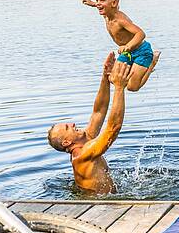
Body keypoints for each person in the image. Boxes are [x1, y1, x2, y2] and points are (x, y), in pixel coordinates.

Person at [46, 53, 129, 194]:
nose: (73, 124)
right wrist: (119, 88)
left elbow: (99, 111)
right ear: (67, 142)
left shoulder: (86, 140)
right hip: (97, 206)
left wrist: (105, 76)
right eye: (68, 128)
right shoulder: (83, 155)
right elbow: (113, 128)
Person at [82, 0, 160, 92]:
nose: (98, 3)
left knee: (132, 87)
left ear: (114, 3)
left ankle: (152, 63)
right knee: (114, 80)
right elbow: (104, 5)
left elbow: (140, 33)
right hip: (127, 52)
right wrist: (93, 4)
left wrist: (128, 46)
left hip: (141, 51)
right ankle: (134, 68)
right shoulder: (107, 14)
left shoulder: (120, 20)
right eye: (97, 0)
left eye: (102, 0)